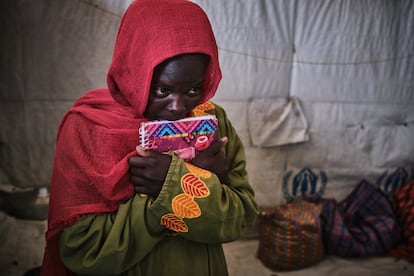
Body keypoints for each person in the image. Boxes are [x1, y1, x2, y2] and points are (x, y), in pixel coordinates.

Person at [40, 0, 258, 275]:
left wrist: (179, 181)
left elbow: (242, 217)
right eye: (162, 90)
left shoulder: (211, 123)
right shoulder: (90, 129)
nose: (178, 107)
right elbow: (83, 248)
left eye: (193, 89)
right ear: (134, 71)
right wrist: (172, 188)